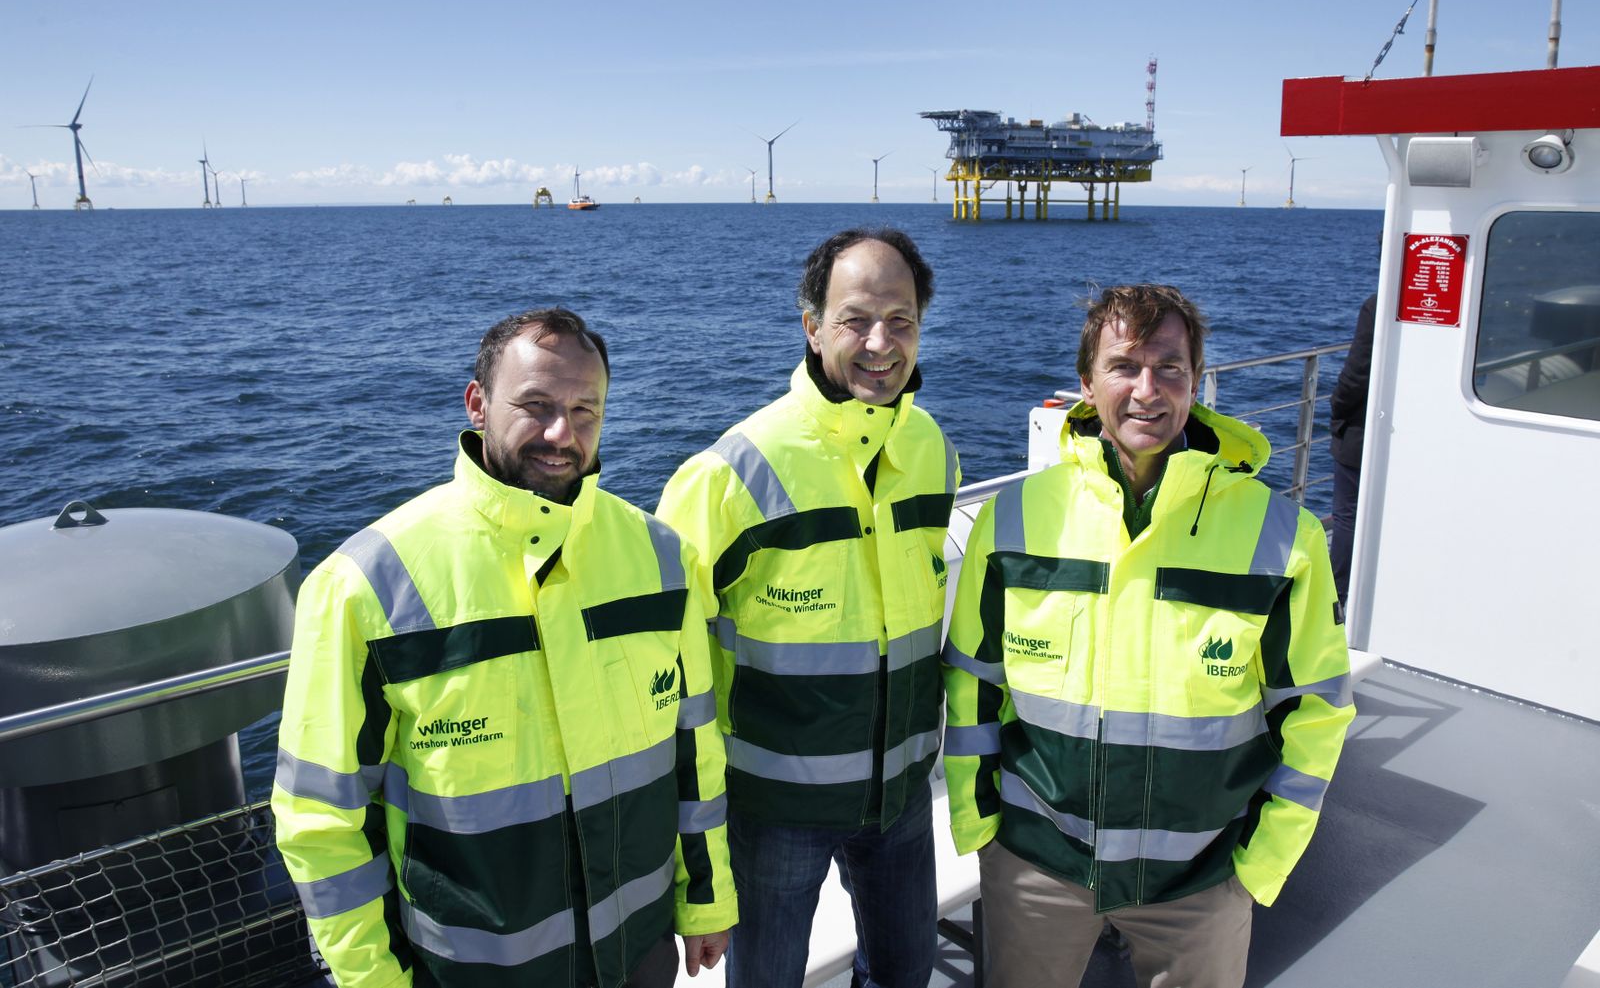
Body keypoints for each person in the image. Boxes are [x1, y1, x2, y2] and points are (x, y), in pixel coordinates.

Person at [272, 308, 737, 988]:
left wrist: (705, 898)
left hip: (638, 955)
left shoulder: (664, 558)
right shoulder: (363, 585)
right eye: (537, 405)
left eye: (585, 409)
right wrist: (373, 979)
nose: (562, 433)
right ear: (478, 403)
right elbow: (321, 815)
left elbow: (695, 746)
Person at [942, 284, 1355, 988]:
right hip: (1036, 863)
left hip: (1205, 878)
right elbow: (972, 681)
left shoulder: (1284, 534)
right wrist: (980, 823)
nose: (1147, 389)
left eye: (1170, 367)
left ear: (1197, 383)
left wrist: (1262, 860)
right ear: (1086, 382)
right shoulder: (1012, 519)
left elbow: (1315, 708)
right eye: (1124, 365)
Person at [657, 227, 959, 988]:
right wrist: (696, 857)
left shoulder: (931, 450)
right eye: (856, 318)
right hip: (771, 812)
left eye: (902, 320)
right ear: (812, 325)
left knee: (904, 975)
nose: (880, 342)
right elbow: (669, 671)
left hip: (901, 799)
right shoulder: (729, 474)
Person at [1328, 293, 1377, 610]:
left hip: (1362, 434)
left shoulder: (1380, 304)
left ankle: (1337, 595)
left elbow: (1357, 372)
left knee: (1347, 516)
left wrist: (1338, 407)